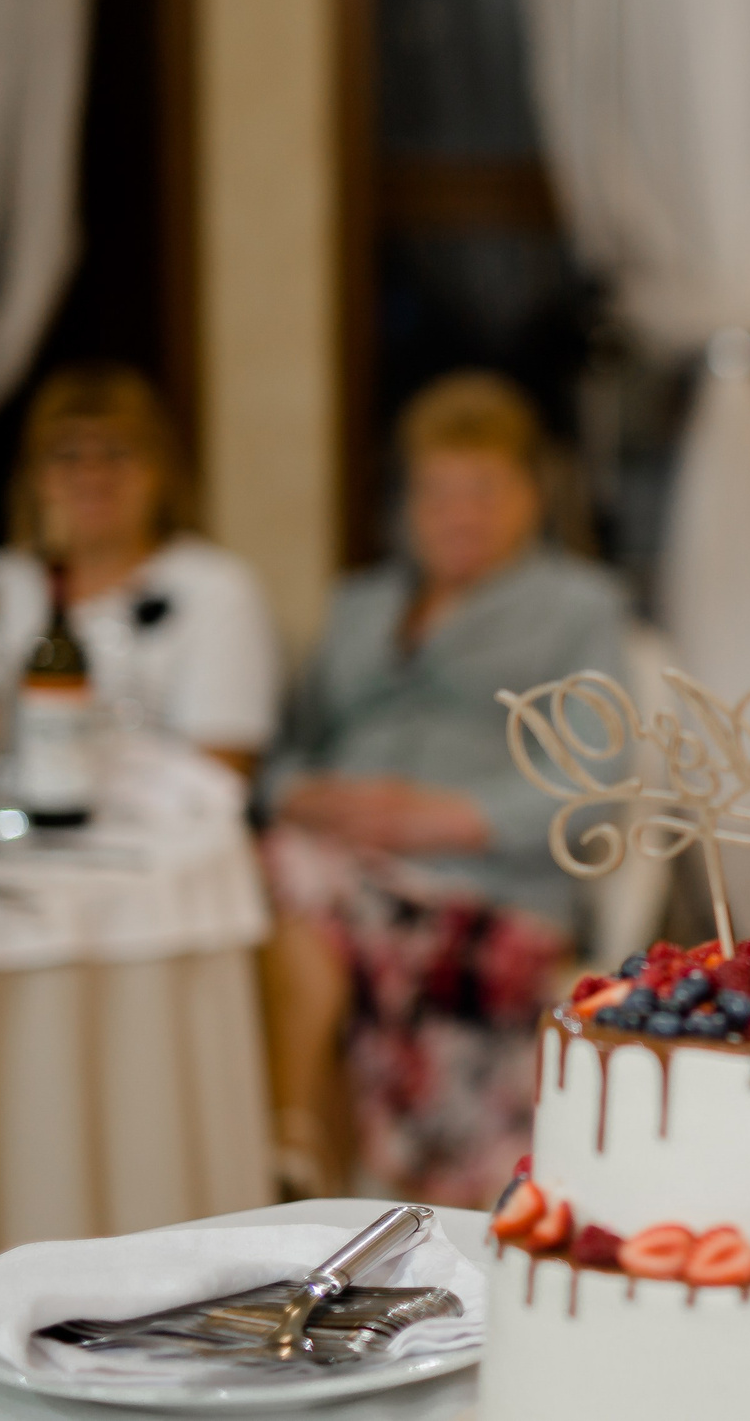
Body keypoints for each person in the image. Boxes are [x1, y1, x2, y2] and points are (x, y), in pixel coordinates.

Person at [259, 369, 627, 1205]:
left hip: (482, 888)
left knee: (293, 901)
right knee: (290, 890)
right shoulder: (358, 606)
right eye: (437, 491)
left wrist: (437, 820)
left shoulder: (576, 608)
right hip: (333, 860)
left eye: (484, 489)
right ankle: (304, 1162)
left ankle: (293, 1164)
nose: (458, 512)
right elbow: (279, 762)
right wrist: (309, 797)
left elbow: (595, 780)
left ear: (532, 493)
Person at [0, 362, 279, 771]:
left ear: (158, 470)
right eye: (66, 455)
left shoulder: (214, 586)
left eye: (116, 452)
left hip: (157, 830)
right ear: (36, 476)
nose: (91, 474)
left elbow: (223, 767)